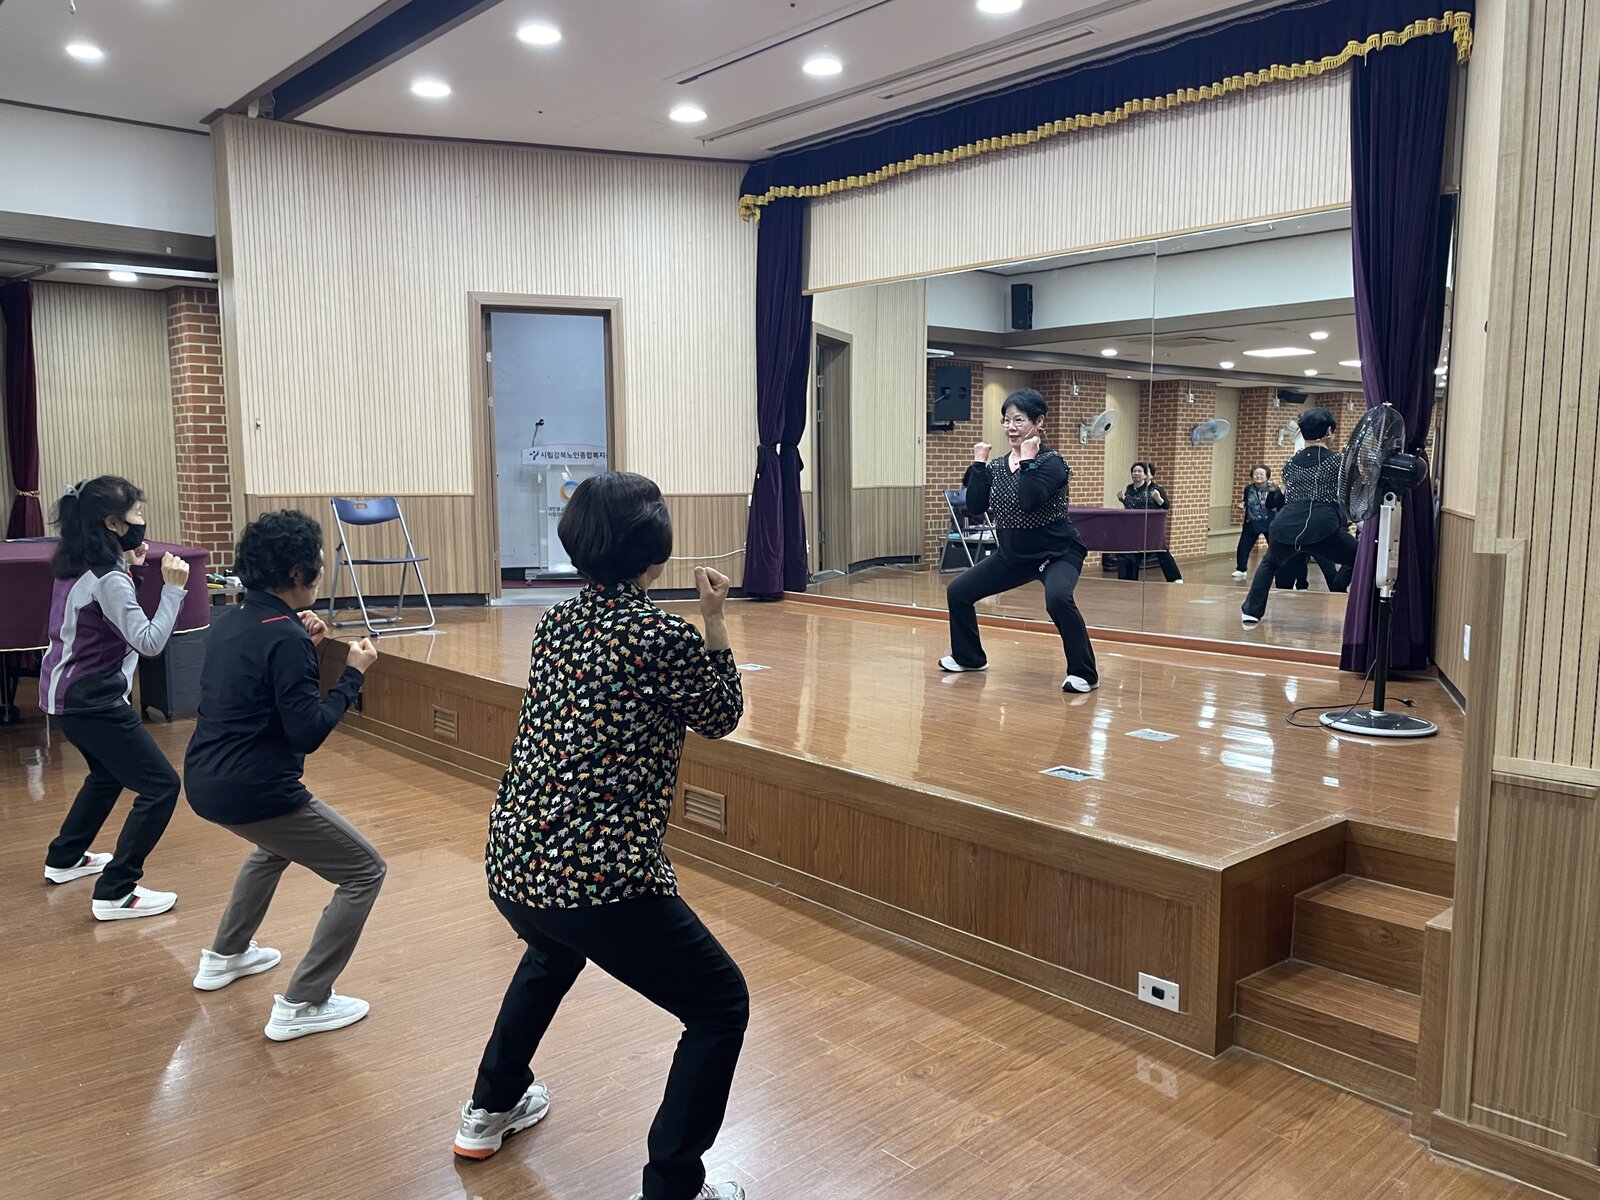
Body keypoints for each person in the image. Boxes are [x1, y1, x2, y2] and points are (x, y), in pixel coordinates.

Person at [454, 472, 748, 1200]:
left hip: (515, 859)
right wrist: (715, 621)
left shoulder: (556, 621)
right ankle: (673, 1188)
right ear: (657, 550)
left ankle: (490, 1107)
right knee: (720, 1006)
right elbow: (720, 714)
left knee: (551, 952)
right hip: (601, 877)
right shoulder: (661, 636)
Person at [183, 509, 385, 1041]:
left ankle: (225, 955)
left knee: (273, 847)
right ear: (298, 572)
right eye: (316, 561)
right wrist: (352, 675)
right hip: (255, 788)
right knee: (365, 871)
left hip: (205, 779)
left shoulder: (232, 622)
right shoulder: (286, 638)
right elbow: (307, 733)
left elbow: (259, 681)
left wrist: (303, 644)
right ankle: (304, 1002)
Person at [39, 476, 189, 920]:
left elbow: (108, 617)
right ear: (113, 523)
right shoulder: (109, 578)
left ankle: (65, 857)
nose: (142, 521)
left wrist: (134, 570)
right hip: (94, 702)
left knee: (106, 776)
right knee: (161, 787)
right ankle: (116, 892)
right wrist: (173, 589)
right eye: (136, 513)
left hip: (65, 695)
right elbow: (149, 642)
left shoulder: (83, 564)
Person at [939, 388, 1099, 692]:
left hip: (1057, 553)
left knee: (1058, 600)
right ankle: (969, 657)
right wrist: (978, 465)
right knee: (958, 592)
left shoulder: (1052, 462)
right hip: (1013, 556)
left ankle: (1084, 673)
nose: (1011, 427)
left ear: (1039, 422)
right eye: (1006, 420)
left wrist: (1027, 460)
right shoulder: (997, 467)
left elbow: (1030, 501)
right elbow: (975, 506)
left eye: (1019, 420)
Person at [1242, 406, 1357, 625]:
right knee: (1362, 556)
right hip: (1323, 528)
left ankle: (1251, 612)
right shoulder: (1339, 462)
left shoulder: (1290, 464)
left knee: (1269, 564)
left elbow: (1287, 493)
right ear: (1329, 431)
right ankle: (1341, 587)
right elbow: (1352, 490)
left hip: (1287, 526)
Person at [1115, 462, 1184, 583]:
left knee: (1161, 551)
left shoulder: (1155, 489)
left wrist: (1158, 498)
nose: (1136, 474)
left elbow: (1166, 506)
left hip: (1151, 526)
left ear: (1146, 475)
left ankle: (1175, 578)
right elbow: (1132, 506)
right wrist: (1123, 500)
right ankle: (1130, 579)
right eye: (1134, 471)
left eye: (1139, 471)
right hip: (1134, 527)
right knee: (1133, 553)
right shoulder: (1130, 488)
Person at [1233, 464, 1285, 579]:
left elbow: (1277, 504)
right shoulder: (1248, 489)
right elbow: (1247, 501)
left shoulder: (1274, 488)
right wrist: (1243, 504)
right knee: (1243, 547)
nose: (1258, 476)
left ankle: (1278, 571)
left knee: (1274, 548)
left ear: (1267, 476)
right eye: (1256, 474)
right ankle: (1241, 569)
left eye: (1261, 474)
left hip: (1270, 523)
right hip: (1251, 522)